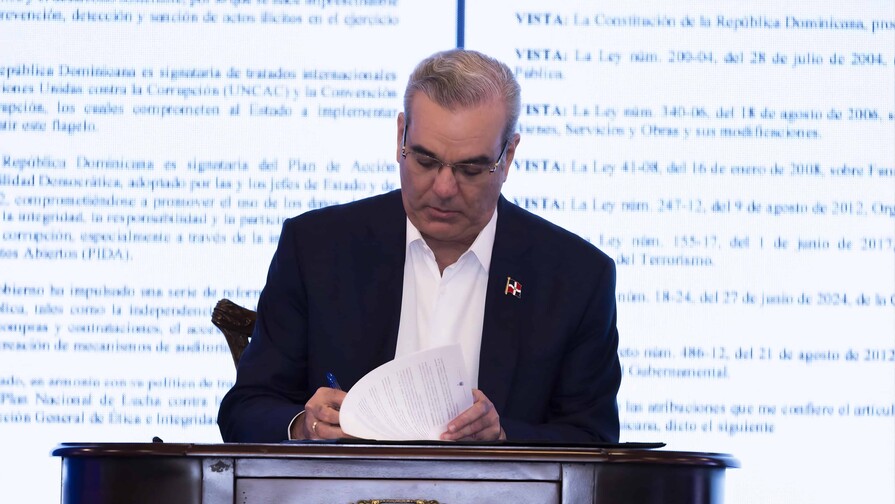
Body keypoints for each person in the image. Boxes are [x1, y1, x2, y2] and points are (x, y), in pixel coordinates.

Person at [217, 49, 621, 444]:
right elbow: (246, 409)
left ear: (508, 156)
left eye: (470, 169)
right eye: (425, 161)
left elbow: (594, 438)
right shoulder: (316, 248)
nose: (443, 188)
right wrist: (304, 427)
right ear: (400, 137)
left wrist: (503, 437)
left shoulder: (577, 278)